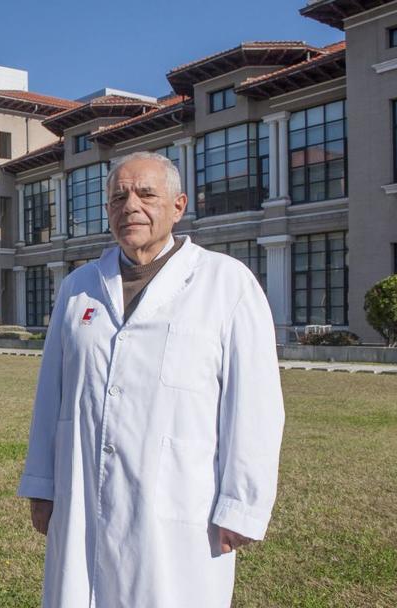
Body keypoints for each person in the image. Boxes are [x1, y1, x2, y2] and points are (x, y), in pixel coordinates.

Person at [18, 151, 285, 607]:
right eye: (118, 197)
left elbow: (255, 403)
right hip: (82, 494)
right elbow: (52, 397)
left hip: (181, 502)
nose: (130, 206)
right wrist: (42, 484)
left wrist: (241, 504)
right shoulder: (79, 287)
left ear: (178, 206)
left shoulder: (226, 284)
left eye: (146, 194)